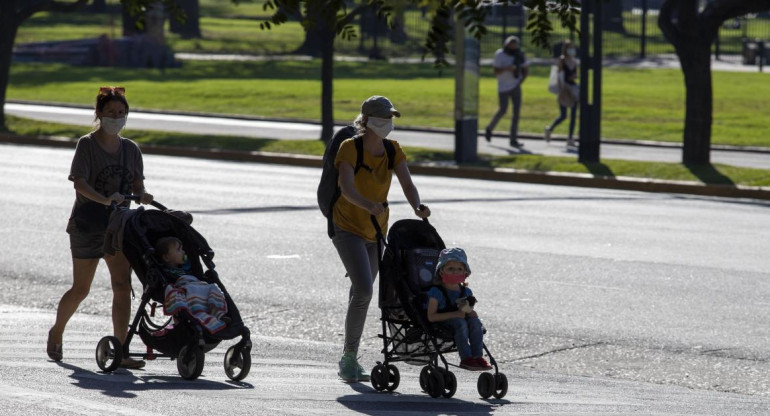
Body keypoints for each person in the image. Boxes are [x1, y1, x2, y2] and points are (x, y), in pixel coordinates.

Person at [47, 86, 153, 369]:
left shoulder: (131, 149)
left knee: (121, 285)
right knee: (81, 288)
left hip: (118, 228)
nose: (116, 117)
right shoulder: (87, 145)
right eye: (110, 112)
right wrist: (105, 200)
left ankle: (121, 349)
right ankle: (57, 331)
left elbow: (137, 184)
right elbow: (79, 182)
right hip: (88, 224)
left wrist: (143, 194)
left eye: (121, 113)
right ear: (99, 114)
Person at [332, 95, 431, 382]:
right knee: (364, 290)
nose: (387, 123)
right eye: (382, 118)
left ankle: (349, 354)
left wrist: (417, 206)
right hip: (347, 226)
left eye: (390, 118)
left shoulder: (392, 149)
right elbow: (346, 187)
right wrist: (367, 205)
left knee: (360, 291)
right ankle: (349, 358)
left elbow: (407, 182)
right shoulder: (350, 148)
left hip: (376, 229)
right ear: (366, 121)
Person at [425, 247, 491, 371]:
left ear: (465, 273)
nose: (455, 272)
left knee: (476, 322)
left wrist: (471, 312)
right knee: (460, 322)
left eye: (459, 269)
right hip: (442, 322)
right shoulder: (436, 292)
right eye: (450, 269)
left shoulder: (466, 291)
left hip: (460, 319)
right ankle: (466, 358)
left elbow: (466, 310)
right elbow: (431, 317)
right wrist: (455, 314)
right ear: (441, 272)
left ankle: (477, 356)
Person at [154, 237, 229, 333]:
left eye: (182, 249)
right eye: (178, 250)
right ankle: (204, 318)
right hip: (187, 290)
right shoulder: (165, 271)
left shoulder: (186, 267)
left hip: (199, 287)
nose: (183, 252)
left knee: (213, 287)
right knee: (189, 294)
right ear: (166, 257)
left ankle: (218, 313)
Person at [485, 35, 530, 148]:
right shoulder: (500, 54)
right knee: (503, 110)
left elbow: (526, 69)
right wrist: (507, 69)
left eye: (514, 46)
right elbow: (496, 72)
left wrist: (521, 81)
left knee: (516, 113)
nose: (513, 47)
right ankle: (489, 128)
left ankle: (513, 139)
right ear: (506, 45)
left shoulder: (520, 55)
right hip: (503, 87)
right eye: (511, 45)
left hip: (515, 85)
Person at [544, 40, 580, 148]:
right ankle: (549, 129)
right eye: (570, 48)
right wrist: (561, 92)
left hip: (573, 88)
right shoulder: (561, 61)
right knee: (563, 115)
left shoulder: (574, 61)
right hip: (564, 88)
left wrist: (574, 77)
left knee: (573, 115)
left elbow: (575, 74)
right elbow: (560, 76)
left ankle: (570, 137)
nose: (572, 50)